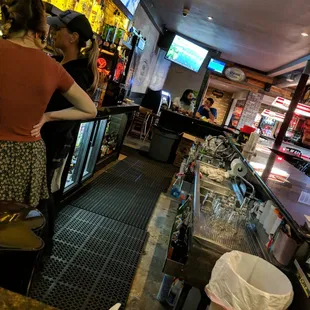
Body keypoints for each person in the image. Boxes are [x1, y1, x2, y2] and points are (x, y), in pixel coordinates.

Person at [0, 0, 97, 208]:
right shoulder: (52, 67)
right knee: (13, 224)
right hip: (26, 156)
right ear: (38, 29)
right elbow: (90, 109)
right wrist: (47, 116)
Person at [40, 10, 99, 245]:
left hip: (53, 140)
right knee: (42, 192)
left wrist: (47, 116)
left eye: (59, 29)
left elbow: (80, 110)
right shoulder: (63, 63)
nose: (53, 32)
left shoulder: (77, 73)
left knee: (42, 193)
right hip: (46, 138)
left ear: (73, 37)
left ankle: (42, 247)